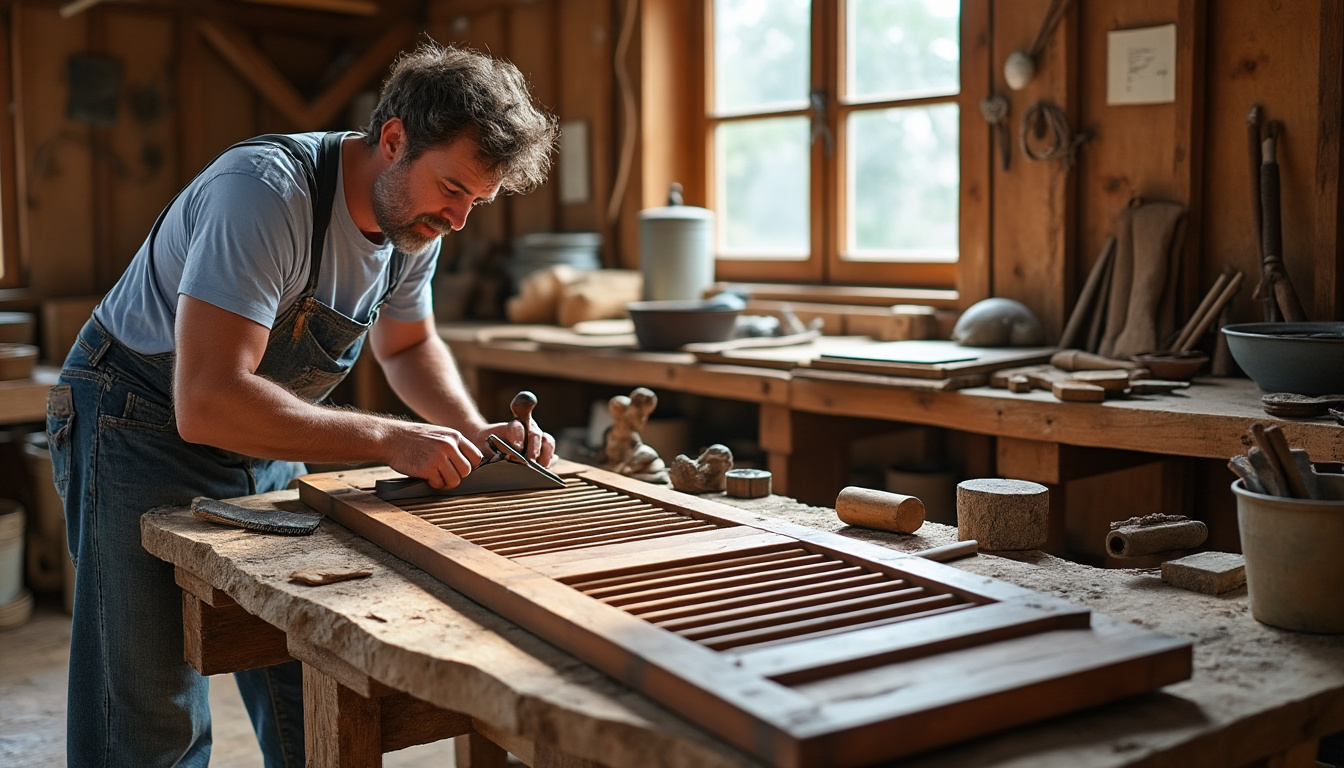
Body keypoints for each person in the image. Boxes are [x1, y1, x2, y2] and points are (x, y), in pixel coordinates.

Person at [46, 41, 560, 767]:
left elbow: (410, 350)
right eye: (453, 189)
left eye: (476, 200)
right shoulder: (264, 192)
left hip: (260, 424)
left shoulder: (417, 221)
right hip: (137, 416)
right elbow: (207, 399)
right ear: (392, 140)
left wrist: (476, 435)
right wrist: (390, 438)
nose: (459, 218)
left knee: (302, 657)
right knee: (148, 706)